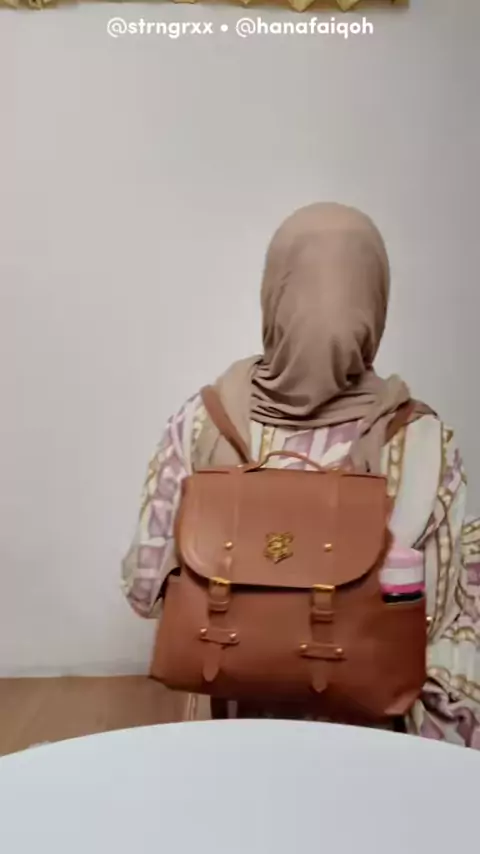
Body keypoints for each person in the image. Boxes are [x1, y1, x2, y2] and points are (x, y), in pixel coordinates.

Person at [122, 202, 480, 746]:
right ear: (376, 301)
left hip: (232, 737)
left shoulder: (202, 422)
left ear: (274, 291)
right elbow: (447, 625)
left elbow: (143, 589)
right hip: (376, 749)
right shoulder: (423, 441)